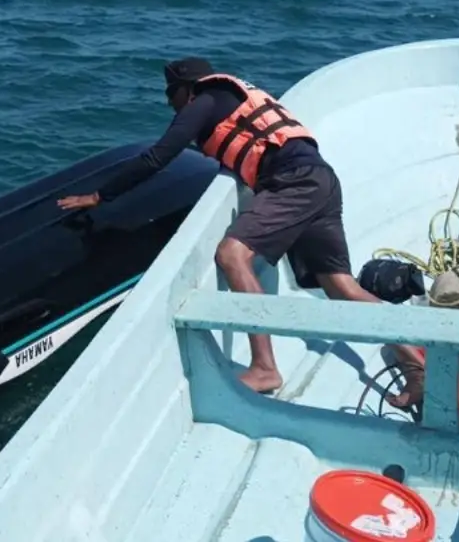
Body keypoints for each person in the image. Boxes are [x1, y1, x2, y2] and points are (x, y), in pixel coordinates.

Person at [57, 57, 426, 405]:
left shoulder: (201, 102)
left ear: (187, 89)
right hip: (323, 178)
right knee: (341, 287)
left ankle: (264, 367)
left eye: (171, 95)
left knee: (232, 255)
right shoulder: (233, 97)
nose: (170, 105)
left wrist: (99, 195)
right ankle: (417, 366)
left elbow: (158, 156)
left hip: (294, 181)